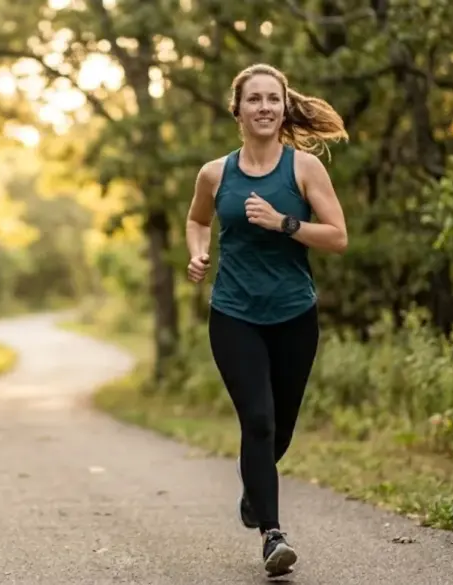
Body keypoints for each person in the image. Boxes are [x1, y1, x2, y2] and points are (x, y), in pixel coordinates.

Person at [184, 63, 349, 577]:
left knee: (280, 428)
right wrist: (197, 252)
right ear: (237, 110)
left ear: (283, 106)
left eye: (272, 99)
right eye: (253, 99)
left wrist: (285, 223)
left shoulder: (303, 169)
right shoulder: (216, 173)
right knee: (257, 419)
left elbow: (338, 237)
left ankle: (256, 489)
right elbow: (196, 219)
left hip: (294, 314)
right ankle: (272, 535)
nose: (264, 107)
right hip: (234, 314)